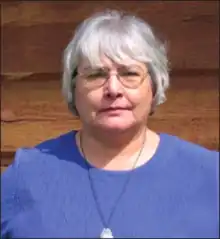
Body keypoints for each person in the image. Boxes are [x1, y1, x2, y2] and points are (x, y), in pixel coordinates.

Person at [1, 9, 219, 238]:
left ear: (153, 86)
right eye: (96, 75)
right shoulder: (26, 175)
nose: (113, 89)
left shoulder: (210, 176)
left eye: (130, 74)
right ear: (73, 88)